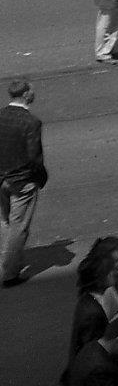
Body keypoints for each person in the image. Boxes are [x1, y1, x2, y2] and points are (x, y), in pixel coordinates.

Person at [0, 78, 43, 287]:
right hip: (22, 181)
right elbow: (34, 157)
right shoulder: (31, 122)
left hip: (1, 180)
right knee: (19, 227)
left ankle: (5, 259)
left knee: (6, 222)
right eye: (32, 90)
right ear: (25, 94)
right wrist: (40, 177)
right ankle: (9, 273)